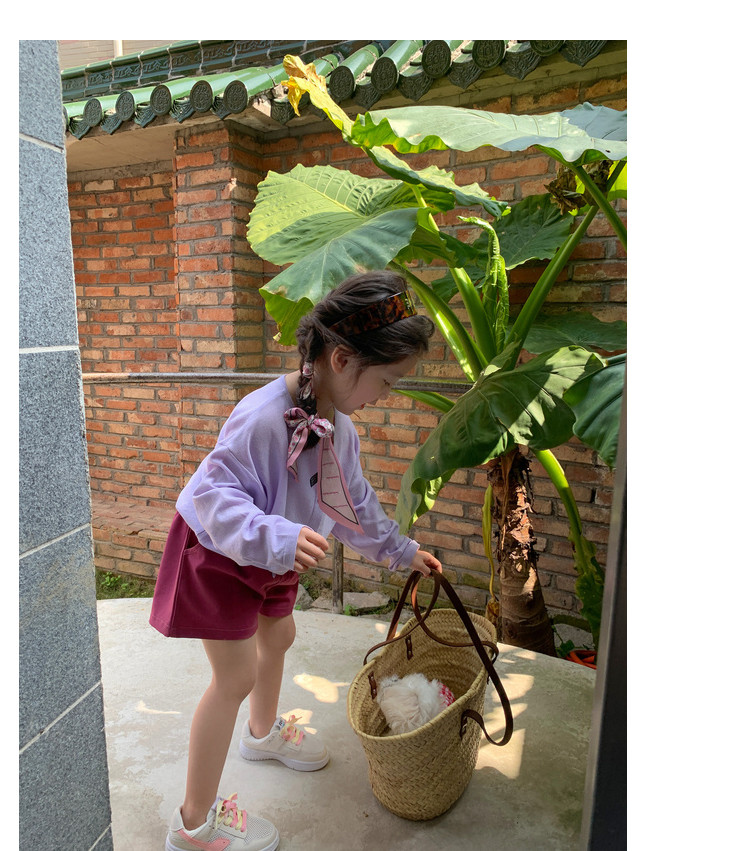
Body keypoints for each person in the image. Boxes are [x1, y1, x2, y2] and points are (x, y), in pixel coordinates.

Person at [149, 270, 443, 851]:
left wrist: (401, 551)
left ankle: (262, 735)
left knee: (278, 637)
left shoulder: (340, 427)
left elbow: (353, 503)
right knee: (234, 677)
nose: (387, 395)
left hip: (279, 553)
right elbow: (213, 499)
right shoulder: (262, 416)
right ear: (342, 359)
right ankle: (193, 825)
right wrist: (278, 537)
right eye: (387, 381)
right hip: (222, 552)